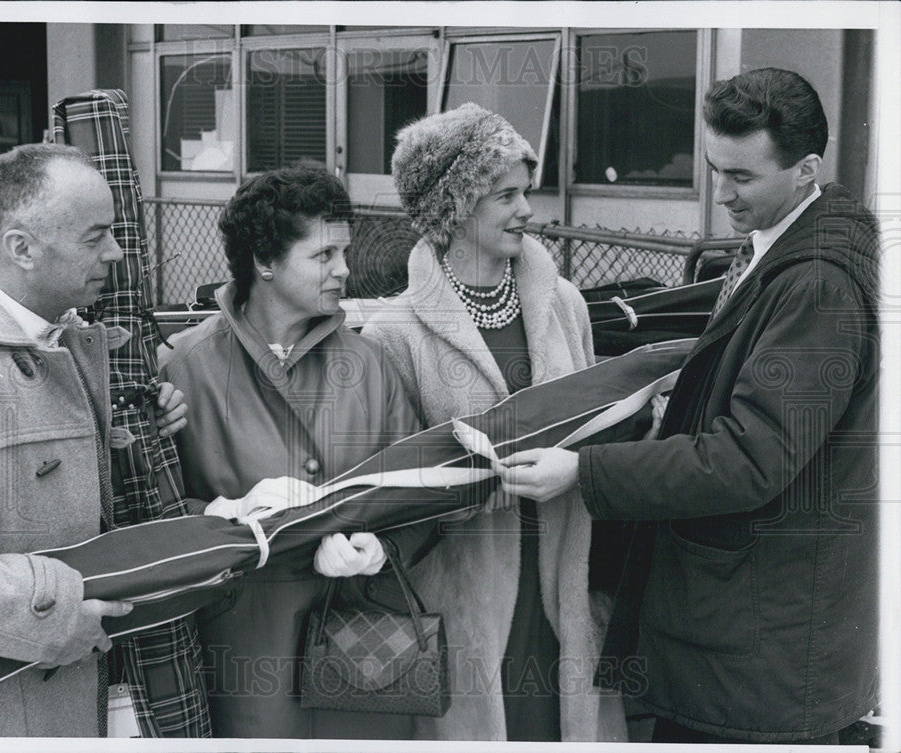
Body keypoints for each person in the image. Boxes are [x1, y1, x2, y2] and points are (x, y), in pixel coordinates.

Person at [495, 68, 880, 744]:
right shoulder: (787, 251)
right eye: (712, 169)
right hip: (757, 639)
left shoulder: (816, 286)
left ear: (807, 168)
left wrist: (585, 474)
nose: (722, 193)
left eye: (742, 176)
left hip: (762, 662)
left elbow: (747, 459)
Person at [0, 143, 189, 736]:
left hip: (58, 699)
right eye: (96, 237)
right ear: (22, 248)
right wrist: (64, 614)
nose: (116, 254)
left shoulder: (64, 339)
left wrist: (135, 438)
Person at [157, 166, 432, 739]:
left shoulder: (370, 363)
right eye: (323, 254)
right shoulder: (182, 367)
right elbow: (145, 515)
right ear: (264, 260)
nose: (344, 270)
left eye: (345, 251)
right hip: (247, 653)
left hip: (364, 650)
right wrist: (222, 516)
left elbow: (425, 491)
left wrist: (383, 547)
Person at [362, 103, 603, 741]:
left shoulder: (564, 303)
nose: (527, 209)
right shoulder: (394, 332)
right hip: (459, 595)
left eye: (526, 190)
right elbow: (390, 487)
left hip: (563, 579)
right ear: (454, 206)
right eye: (506, 195)